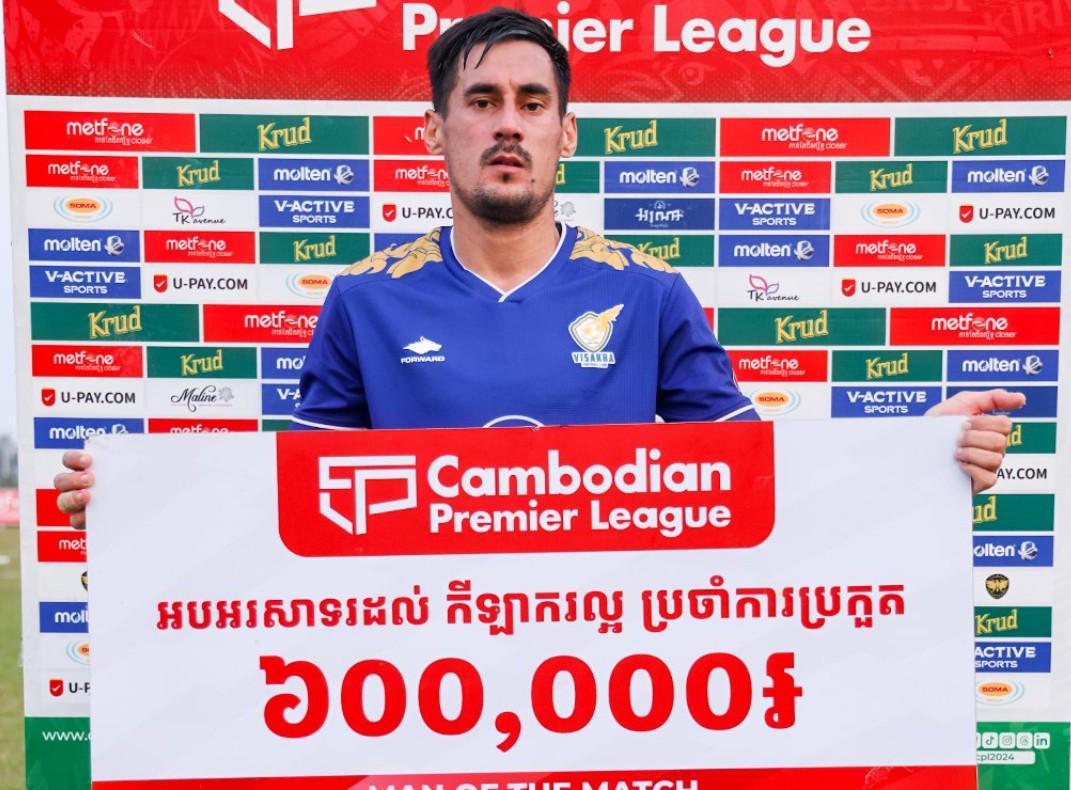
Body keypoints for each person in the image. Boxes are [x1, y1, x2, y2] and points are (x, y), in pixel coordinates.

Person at [54, 7, 1024, 526]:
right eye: (480, 101)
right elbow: (290, 494)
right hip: (411, 657)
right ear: (435, 129)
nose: (507, 123)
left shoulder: (647, 289)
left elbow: (752, 474)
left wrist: (912, 461)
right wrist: (144, 500)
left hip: (606, 660)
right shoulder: (363, 298)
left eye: (531, 102)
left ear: (567, 131)